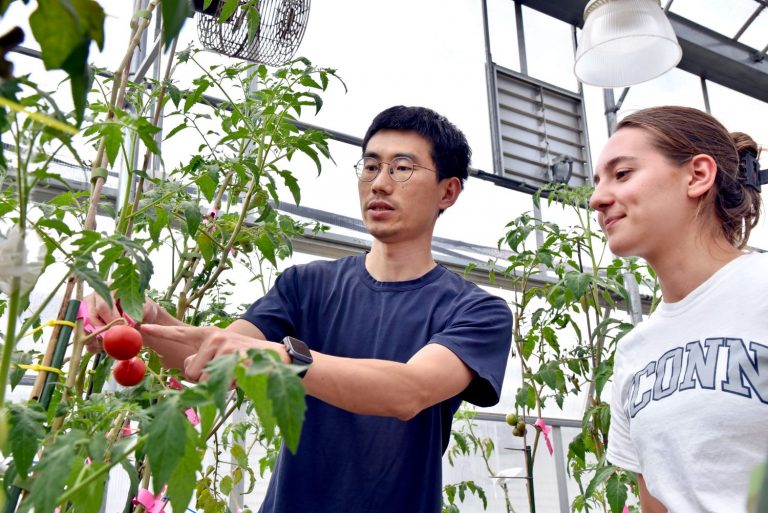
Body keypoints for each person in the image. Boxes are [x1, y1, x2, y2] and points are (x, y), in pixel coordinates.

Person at [87, 105, 513, 512]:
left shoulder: (476, 312)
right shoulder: (305, 285)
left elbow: (409, 391)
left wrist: (285, 359)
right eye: (370, 166)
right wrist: (148, 321)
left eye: (402, 168)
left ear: (448, 191)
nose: (380, 183)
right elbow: (215, 358)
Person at [590, 105, 768, 513]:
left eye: (622, 174)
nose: (597, 198)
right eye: (597, 182)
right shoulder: (634, 352)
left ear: (698, 175)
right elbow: (657, 503)